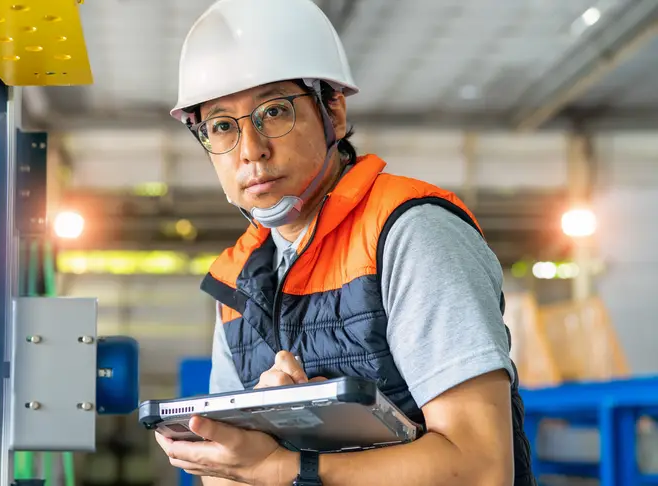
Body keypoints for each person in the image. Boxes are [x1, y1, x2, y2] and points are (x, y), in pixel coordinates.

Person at [153, 0, 535, 485]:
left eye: (274, 112)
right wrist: (273, 433)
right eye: (222, 126)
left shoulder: (409, 233)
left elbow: (481, 468)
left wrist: (284, 465)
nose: (250, 150)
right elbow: (225, 474)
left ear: (332, 109)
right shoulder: (238, 280)